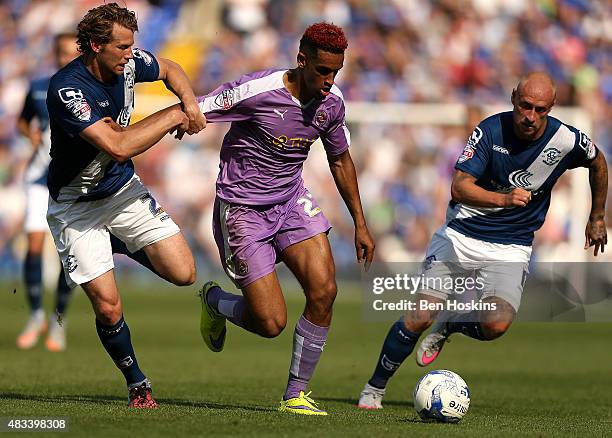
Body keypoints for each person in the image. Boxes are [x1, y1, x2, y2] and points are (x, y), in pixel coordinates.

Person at [357, 71, 608, 409]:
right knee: (419, 314)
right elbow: (459, 187)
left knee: (497, 324)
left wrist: (596, 216)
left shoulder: (566, 139)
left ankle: (450, 325)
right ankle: (375, 388)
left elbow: (598, 161)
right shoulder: (490, 131)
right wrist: (503, 199)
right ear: (513, 98)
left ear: (551, 108)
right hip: (461, 235)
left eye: (540, 110)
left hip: (512, 245)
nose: (531, 117)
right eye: (525, 106)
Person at [195, 22, 375, 416]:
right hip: (242, 210)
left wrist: (360, 223)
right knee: (271, 322)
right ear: (301, 60)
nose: (329, 81)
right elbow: (195, 109)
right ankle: (215, 302)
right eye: (322, 71)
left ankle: (295, 393)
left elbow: (340, 158)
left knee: (325, 291)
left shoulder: (332, 103)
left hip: (292, 200)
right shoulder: (256, 91)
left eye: (336, 72)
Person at [45, 3, 206, 408]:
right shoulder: (68, 89)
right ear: (96, 46)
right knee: (108, 306)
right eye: (122, 47)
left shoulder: (129, 64)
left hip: (121, 193)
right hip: (76, 208)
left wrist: (189, 102)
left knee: (185, 273)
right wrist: (173, 115)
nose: (131, 54)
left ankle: (115, 243)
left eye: (133, 46)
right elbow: (118, 146)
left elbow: (170, 68)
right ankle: (138, 383)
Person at [16, 33, 79, 352]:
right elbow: (23, 121)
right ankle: (36, 315)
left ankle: (58, 321)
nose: (64, 57)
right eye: (60, 52)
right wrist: (31, 134)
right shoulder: (39, 86)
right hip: (39, 178)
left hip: (71, 184)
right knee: (35, 245)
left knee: (70, 254)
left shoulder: (87, 90)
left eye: (70, 52)